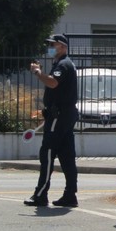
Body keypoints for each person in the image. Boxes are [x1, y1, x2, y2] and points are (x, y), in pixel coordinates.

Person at [24, 35, 79, 207]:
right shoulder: (62, 64)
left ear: (62, 47)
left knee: (47, 153)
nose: (50, 48)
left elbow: (53, 83)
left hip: (59, 116)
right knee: (66, 156)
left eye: (52, 45)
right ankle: (70, 195)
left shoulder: (63, 64)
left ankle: (40, 194)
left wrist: (37, 72)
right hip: (64, 115)